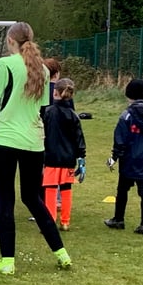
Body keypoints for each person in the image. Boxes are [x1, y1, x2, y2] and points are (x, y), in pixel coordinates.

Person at [0, 22, 72, 275]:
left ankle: (8, 260)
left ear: (10, 40)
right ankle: (61, 253)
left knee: (5, 199)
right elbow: (43, 111)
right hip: (33, 142)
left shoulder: (5, 65)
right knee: (33, 198)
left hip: (5, 140)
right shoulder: (42, 69)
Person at [104, 79, 143, 235]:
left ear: (128, 95)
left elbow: (120, 139)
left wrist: (114, 158)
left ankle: (118, 219)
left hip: (129, 159)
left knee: (122, 189)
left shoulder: (127, 116)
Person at [42, 78, 86, 231]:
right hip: (68, 159)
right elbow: (79, 138)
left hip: (51, 158)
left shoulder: (48, 112)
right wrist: (81, 158)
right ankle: (65, 221)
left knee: (51, 189)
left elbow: (43, 135)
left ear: (55, 92)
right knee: (66, 189)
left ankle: (50, 221)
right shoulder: (73, 115)